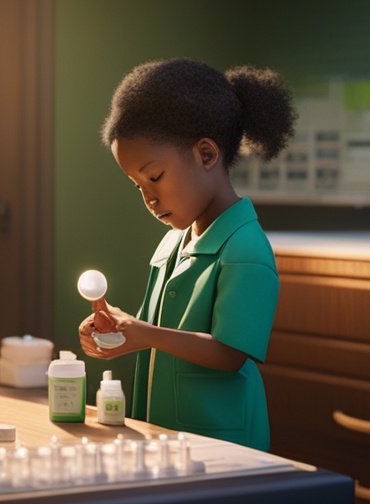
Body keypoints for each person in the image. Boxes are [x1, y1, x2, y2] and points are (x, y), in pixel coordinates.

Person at [78, 58, 296, 451]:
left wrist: (146, 334)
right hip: (167, 442)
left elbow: (230, 353)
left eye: (155, 176)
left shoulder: (245, 248)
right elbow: (161, 332)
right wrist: (120, 330)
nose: (148, 197)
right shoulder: (172, 243)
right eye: (137, 185)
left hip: (224, 448)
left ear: (207, 154)